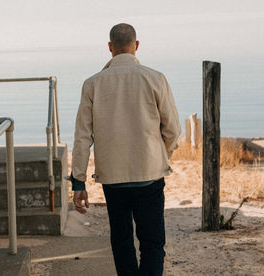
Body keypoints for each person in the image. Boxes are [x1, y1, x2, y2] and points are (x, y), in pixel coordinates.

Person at [70, 23, 181, 276]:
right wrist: (160, 154)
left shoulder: (92, 84)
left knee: (121, 242)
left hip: (113, 177)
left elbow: (82, 137)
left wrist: (78, 182)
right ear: (136, 45)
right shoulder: (155, 78)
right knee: (153, 243)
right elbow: (173, 130)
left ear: (110, 48)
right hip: (149, 175)